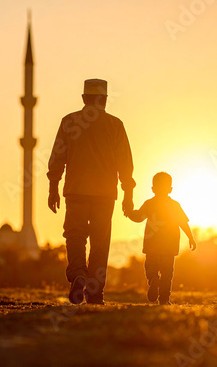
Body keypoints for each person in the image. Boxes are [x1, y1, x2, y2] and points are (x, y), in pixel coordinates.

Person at [47, 78, 135, 305]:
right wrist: (128, 194)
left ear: (84, 99)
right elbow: (125, 165)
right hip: (105, 195)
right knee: (100, 242)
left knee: (75, 236)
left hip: (76, 191)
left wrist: (53, 187)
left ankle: (78, 274)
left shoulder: (69, 121)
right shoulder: (115, 125)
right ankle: (95, 292)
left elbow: (57, 158)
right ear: (104, 100)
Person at [126, 172, 197, 305]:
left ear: (153, 188)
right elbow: (183, 223)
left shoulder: (149, 203)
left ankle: (153, 279)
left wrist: (129, 212)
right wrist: (191, 238)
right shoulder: (175, 205)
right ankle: (164, 299)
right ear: (170, 189)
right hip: (169, 246)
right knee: (167, 273)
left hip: (152, 245)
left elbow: (138, 217)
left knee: (150, 267)